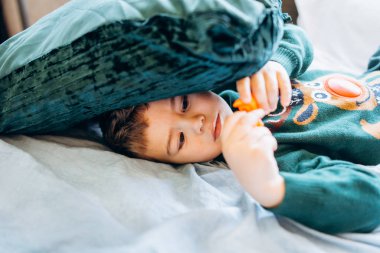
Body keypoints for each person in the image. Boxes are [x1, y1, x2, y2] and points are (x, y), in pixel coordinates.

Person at [99, 23, 380, 234]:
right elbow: (369, 198)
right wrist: (270, 187)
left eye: (184, 103)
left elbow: (294, 35)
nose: (196, 122)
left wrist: (273, 62)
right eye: (180, 140)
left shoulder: (236, 77)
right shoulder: (271, 151)